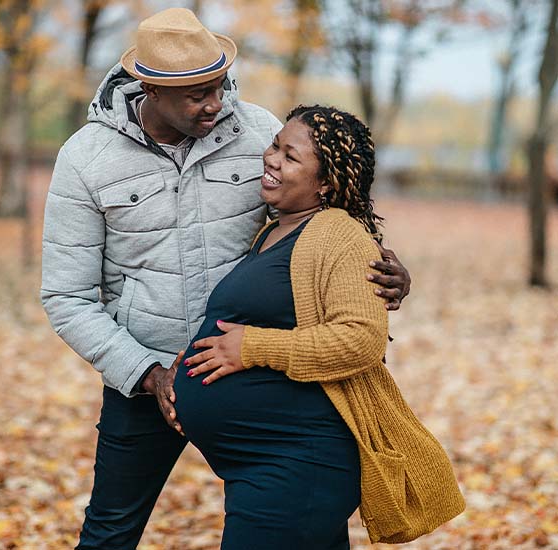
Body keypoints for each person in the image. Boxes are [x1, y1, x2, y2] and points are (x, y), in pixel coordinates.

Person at [40, 8, 411, 550]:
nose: (216, 103)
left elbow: (322, 229)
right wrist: (148, 373)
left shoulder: (258, 131)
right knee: (108, 533)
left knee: (306, 522)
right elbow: (67, 297)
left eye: (220, 86)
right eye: (197, 95)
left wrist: (386, 274)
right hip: (146, 377)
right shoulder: (85, 160)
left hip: (264, 380)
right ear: (151, 88)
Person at [176, 105, 465, 549]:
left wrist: (252, 347)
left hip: (298, 461)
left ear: (325, 183)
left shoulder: (338, 234)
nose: (272, 158)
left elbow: (361, 339)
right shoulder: (274, 230)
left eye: (290, 157)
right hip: (272, 464)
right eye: (275, 145)